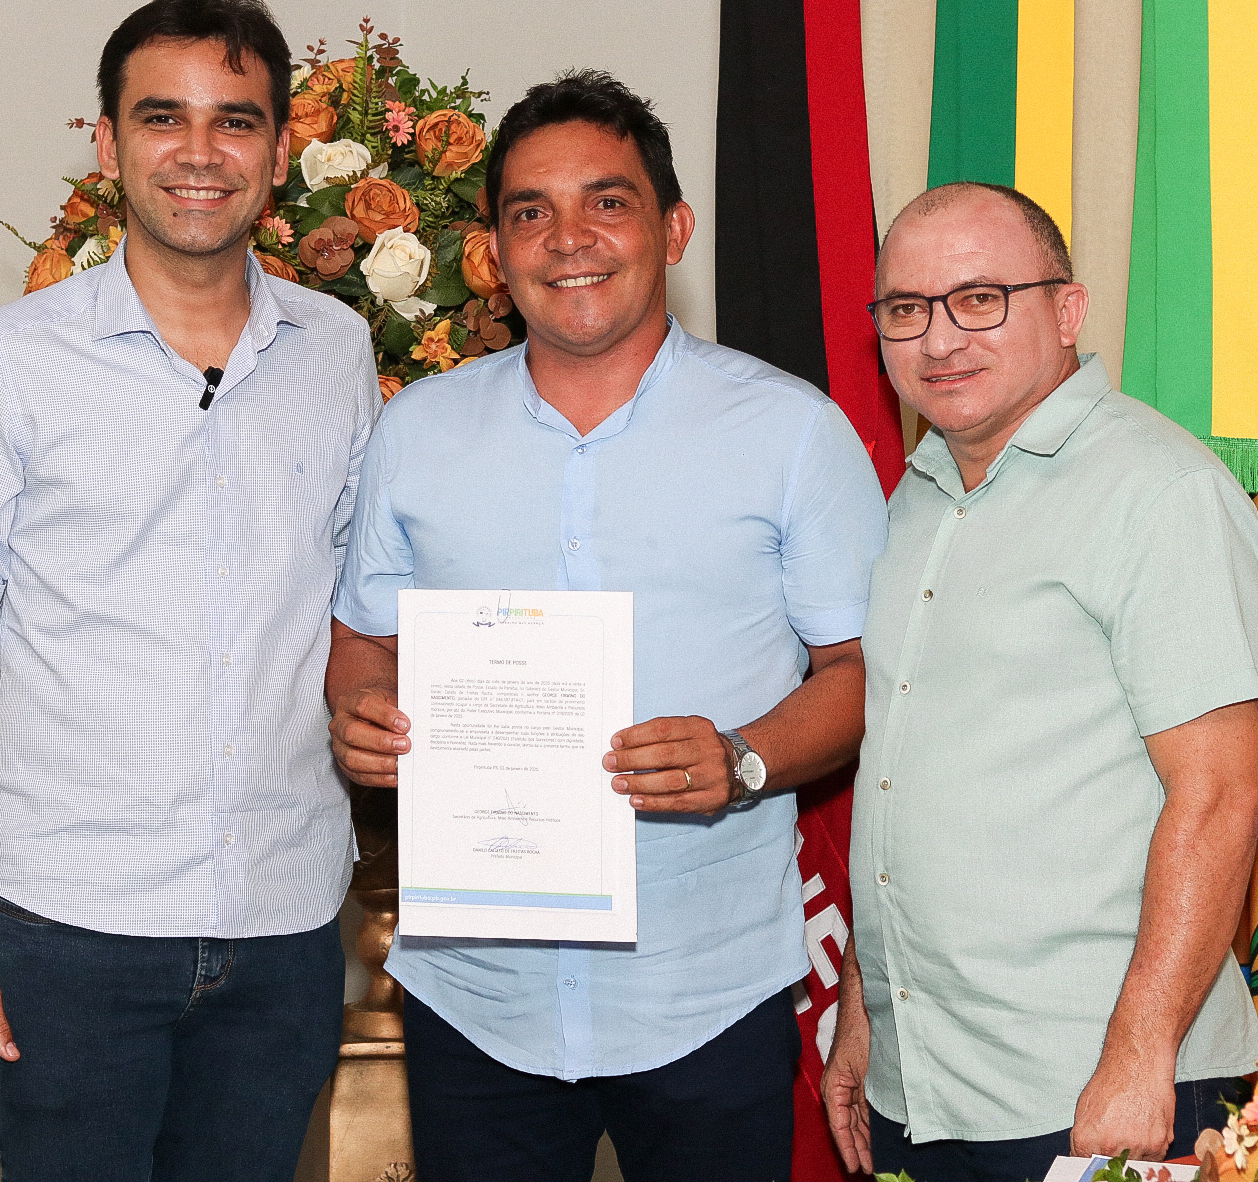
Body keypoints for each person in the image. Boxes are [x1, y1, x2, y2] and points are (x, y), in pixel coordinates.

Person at [324, 70, 887, 1182]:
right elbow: (364, 634)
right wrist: (362, 709)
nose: (568, 237)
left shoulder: (790, 431)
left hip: (705, 994)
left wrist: (745, 756)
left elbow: (866, 672)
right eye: (530, 210)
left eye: (608, 201)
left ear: (673, 229)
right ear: (493, 252)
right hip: (474, 997)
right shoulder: (418, 431)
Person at [0, 0, 377, 1182]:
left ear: (280, 151)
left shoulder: (337, 349)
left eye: (235, 120)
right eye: (164, 117)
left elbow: (362, 604)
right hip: (74, 936)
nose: (199, 152)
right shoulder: (6, 363)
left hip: (285, 925)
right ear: (108, 145)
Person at [821, 182, 1258, 1182]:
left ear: (1068, 310)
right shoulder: (917, 495)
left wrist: (1140, 1057)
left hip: (1094, 1091)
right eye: (906, 309)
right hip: (925, 1081)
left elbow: (1219, 795)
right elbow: (905, 781)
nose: (940, 339)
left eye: (980, 299)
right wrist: (865, 1006)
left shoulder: (1160, 493)